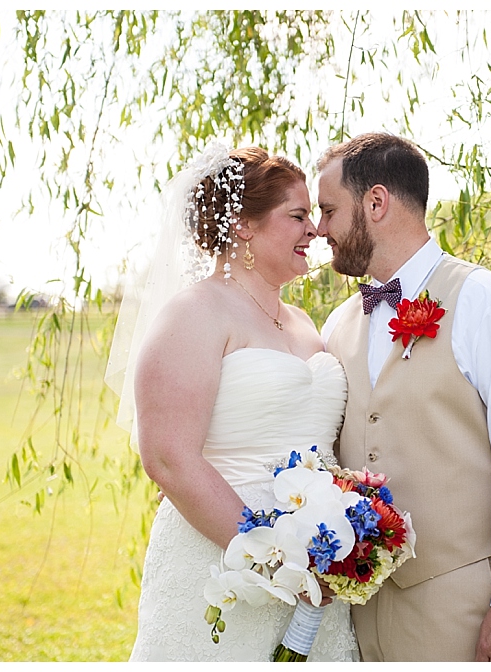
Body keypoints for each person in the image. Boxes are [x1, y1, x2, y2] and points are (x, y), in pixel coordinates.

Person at [317, 133, 491, 662]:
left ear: (377, 202)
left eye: (328, 210)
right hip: (357, 619)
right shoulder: (338, 326)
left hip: (465, 612)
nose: (319, 230)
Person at [105, 143, 359, 662]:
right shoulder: (193, 315)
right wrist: (274, 560)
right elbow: (169, 459)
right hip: (220, 563)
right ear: (243, 225)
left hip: (318, 569)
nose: (314, 230)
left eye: (312, 215)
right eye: (297, 215)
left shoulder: (305, 324)